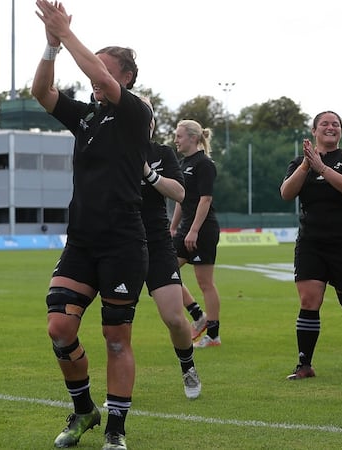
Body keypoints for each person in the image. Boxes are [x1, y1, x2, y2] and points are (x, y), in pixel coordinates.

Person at [32, 2, 151, 448]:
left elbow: (98, 76)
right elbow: (41, 92)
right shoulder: (86, 116)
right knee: (59, 329)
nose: (93, 75)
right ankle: (84, 411)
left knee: (116, 338)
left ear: (126, 78)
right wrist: (50, 46)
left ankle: (116, 431)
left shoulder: (136, 112)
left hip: (123, 241)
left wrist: (65, 33)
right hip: (81, 240)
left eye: (104, 67)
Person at [279, 111, 342, 380]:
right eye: (324, 123)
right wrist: (306, 165)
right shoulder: (299, 163)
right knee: (309, 300)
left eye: (335, 124)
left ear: (341, 131)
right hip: (312, 241)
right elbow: (287, 193)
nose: (330, 127)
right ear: (314, 131)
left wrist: (322, 168)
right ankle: (305, 365)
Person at [139, 98, 201, 398]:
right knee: (115, 324)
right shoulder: (108, 151)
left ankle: (188, 367)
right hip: (119, 241)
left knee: (175, 319)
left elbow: (179, 193)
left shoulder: (162, 153)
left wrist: (148, 173)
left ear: (151, 122)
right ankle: (117, 393)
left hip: (156, 241)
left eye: (146, 114)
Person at [170, 120, 223, 346]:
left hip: (202, 230)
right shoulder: (182, 164)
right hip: (185, 230)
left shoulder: (204, 164)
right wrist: (174, 227)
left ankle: (213, 335)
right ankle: (197, 316)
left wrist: (193, 231)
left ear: (192, 137)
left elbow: (206, 199)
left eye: (179, 136)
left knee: (205, 283)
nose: (176, 140)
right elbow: (182, 198)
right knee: (163, 271)